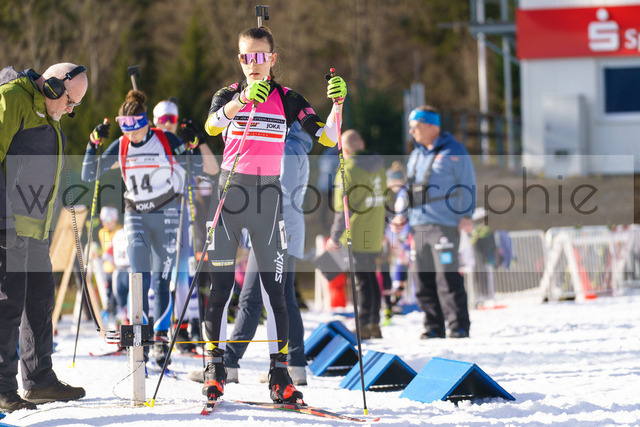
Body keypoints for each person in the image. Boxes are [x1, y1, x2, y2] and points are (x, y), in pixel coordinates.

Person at [201, 26, 347, 404]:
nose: (253, 63)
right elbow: (212, 125)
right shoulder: (228, 94)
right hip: (230, 197)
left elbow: (327, 137)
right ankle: (215, 368)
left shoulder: (289, 99)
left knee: (275, 293)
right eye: (247, 57)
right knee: (221, 289)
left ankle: (280, 374)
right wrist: (242, 101)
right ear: (240, 59)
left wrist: (337, 105)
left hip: (268, 198)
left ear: (272, 59)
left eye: (260, 56)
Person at [81, 90, 203, 368]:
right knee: (139, 278)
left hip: (166, 214)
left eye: (136, 131)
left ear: (146, 123)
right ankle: (139, 341)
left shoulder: (166, 139)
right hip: (136, 214)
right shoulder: (122, 144)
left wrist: (193, 144)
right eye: (127, 131)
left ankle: (160, 341)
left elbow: (195, 169)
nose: (132, 137)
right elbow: (89, 173)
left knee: (161, 280)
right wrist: (92, 144)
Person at [0, 63, 88, 412]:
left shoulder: (49, 112)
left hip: (35, 226)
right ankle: (2, 387)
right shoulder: (11, 99)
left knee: (40, 300)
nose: (71, 109)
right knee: (8, 304)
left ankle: (39, 381)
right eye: (70, 101)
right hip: (9, 223)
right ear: (53, 86)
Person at [221, 121, 313, 386]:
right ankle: (293, 363)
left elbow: (282, 192)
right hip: (273, 229)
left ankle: (231, 362)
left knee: (256, 298)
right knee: (273, 298)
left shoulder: (288, 148)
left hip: (276, 230)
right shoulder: (287, 145)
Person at [391, 105, 476, 339]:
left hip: (443, 224)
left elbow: (468, 184)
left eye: (416, 127)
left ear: (431, 126)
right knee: (422, 279)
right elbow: (407, 189)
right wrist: (401, 214)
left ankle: (458, 325)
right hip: (418, 225)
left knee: (447, 277)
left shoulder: (454, 152)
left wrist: (466, 216)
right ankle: (433, 326)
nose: (412, 132)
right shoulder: (416, 155)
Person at [153, 99, 219, 353]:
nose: (167, 123)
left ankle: (182, 329)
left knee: (183, 277)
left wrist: (199, 141)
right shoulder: (150, 144)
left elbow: (212, 168)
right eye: (163, 119)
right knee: (160, 277)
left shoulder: (182, 147)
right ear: (154, 121)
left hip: (182, 219)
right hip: (157, 219)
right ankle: (155, 329)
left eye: (172, 119)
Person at [326, 130, 387, 339]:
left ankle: (364, 325)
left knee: (361, 281)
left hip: (357, 233)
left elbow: (343, 207)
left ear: (344, 149)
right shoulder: (380, 166)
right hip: (375, 231)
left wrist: (335, 235)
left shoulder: (348, 169)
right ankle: (374, 323)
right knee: (370, 278)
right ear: (362, 143)